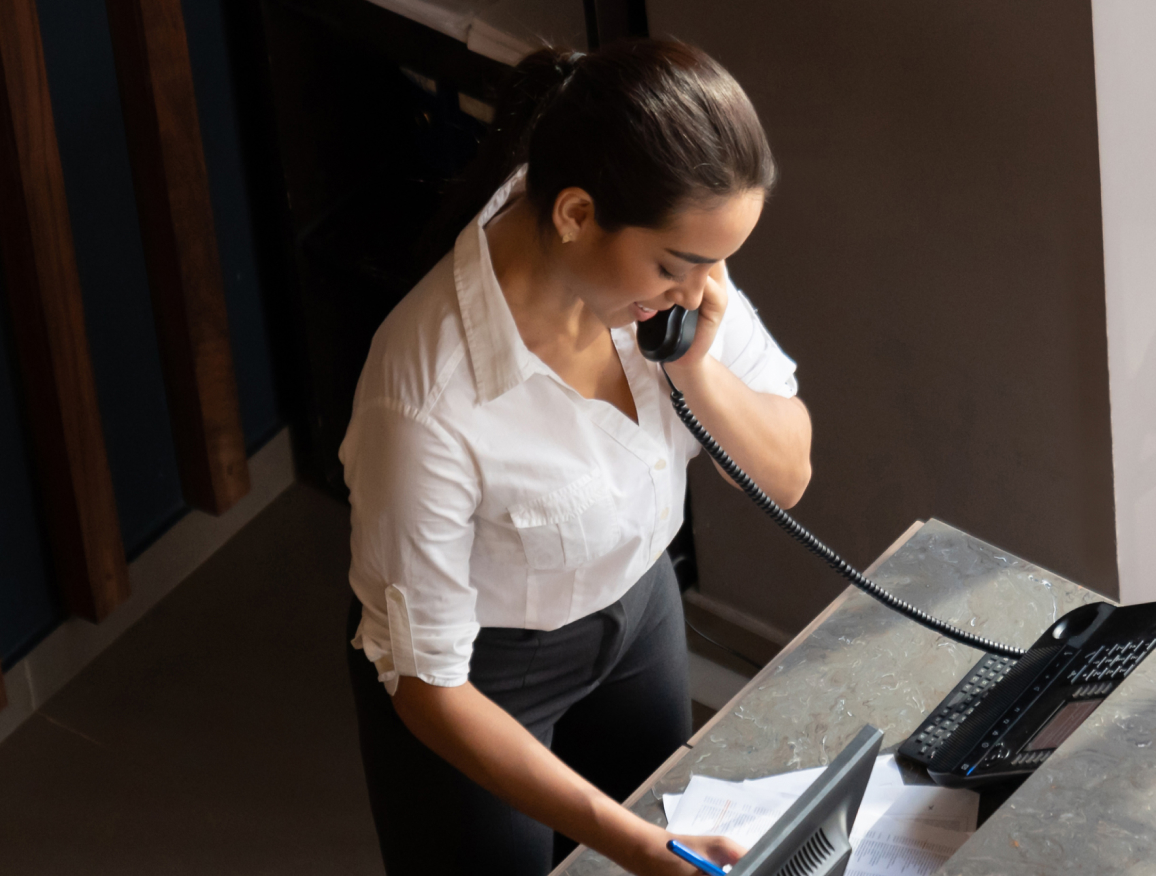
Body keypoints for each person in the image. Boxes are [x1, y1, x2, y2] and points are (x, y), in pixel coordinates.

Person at [342, 39, 813, 876]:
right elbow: (427, 687)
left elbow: (788, 472)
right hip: (481, 681)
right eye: (679, 266)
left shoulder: (676, 292)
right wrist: (633, 843)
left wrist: (695, 367)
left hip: (637, 612)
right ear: (573, 215)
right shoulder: (422, 399)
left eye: (716, 265)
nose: (700, 291)